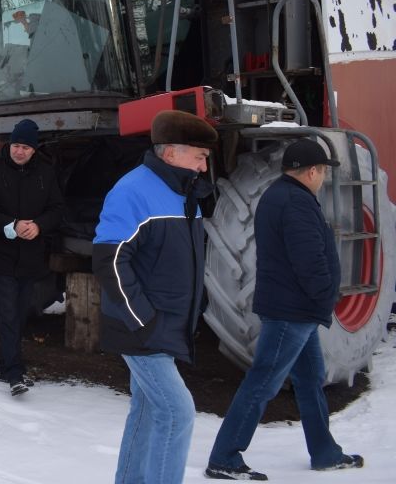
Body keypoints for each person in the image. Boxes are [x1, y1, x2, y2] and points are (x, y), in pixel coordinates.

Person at [206, 139, 363, 480]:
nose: (322, 177)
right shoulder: (296, 202)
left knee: (310, 381)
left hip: (295, 311)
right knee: (263, 381)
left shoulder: (280, 195)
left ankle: (324, 452)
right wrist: (325, 296)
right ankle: (224, 457)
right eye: (322, 171)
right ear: (311, 171)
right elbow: (309, 260)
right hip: (293, 312)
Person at [92, 110, 217, 484]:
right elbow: (110, 260)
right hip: (142, 329)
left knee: (147, 411)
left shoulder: (183, 192)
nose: (204, 163)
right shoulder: (133, 191)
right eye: (199, 155)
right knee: (178, 414)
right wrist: (144, 320)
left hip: (167, 325)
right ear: (171, 154)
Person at [0, 118, 64, 396]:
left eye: (25, 147)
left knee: (21, 312)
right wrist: (10, 225)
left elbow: (57, 209)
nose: (19, 151)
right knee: (8, 312)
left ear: (34, 150)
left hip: (31, 256)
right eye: (15, 145)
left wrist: (38, 225)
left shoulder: (46, 174)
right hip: (2, 254)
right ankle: (14, 372)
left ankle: (4, 364)